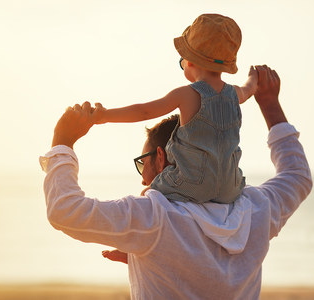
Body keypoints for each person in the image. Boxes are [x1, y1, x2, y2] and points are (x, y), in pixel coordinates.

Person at [39, 66, 312, 299]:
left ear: (161, 157)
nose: (144, 178)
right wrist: (269, 103)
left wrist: (62, 142)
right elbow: (296, 176)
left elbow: (65, 211)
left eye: (142, 162)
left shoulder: (154, 219)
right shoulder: (256, 210)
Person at [92, 14, 258, 204]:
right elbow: (249, 88)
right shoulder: (235, 94)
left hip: (192, 185)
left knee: (148, 194)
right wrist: (253, 76)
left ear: (190, 61)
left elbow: (143, 111)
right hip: (231, 188)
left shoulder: (187, 94)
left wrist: (104, 116)